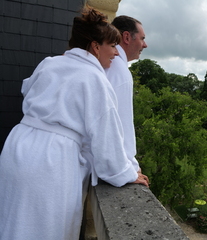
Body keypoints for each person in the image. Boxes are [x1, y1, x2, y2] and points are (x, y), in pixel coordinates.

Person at [0, 6, 148, 240]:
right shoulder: (95, 79)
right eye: (112, 46)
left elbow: (27, 89)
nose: (116, 53)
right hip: (51, 162)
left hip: (17, 148)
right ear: (95, 47)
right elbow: (107, 139)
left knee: (13, 221)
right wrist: (126, 172)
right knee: (46, 230)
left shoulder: (50, 63)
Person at [105, 16, 148, 176]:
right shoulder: (118, 69)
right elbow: (121, 124)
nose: (145, 44)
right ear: (127, 37)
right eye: (142, 38)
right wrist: (130, 167)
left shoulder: (108, 63)